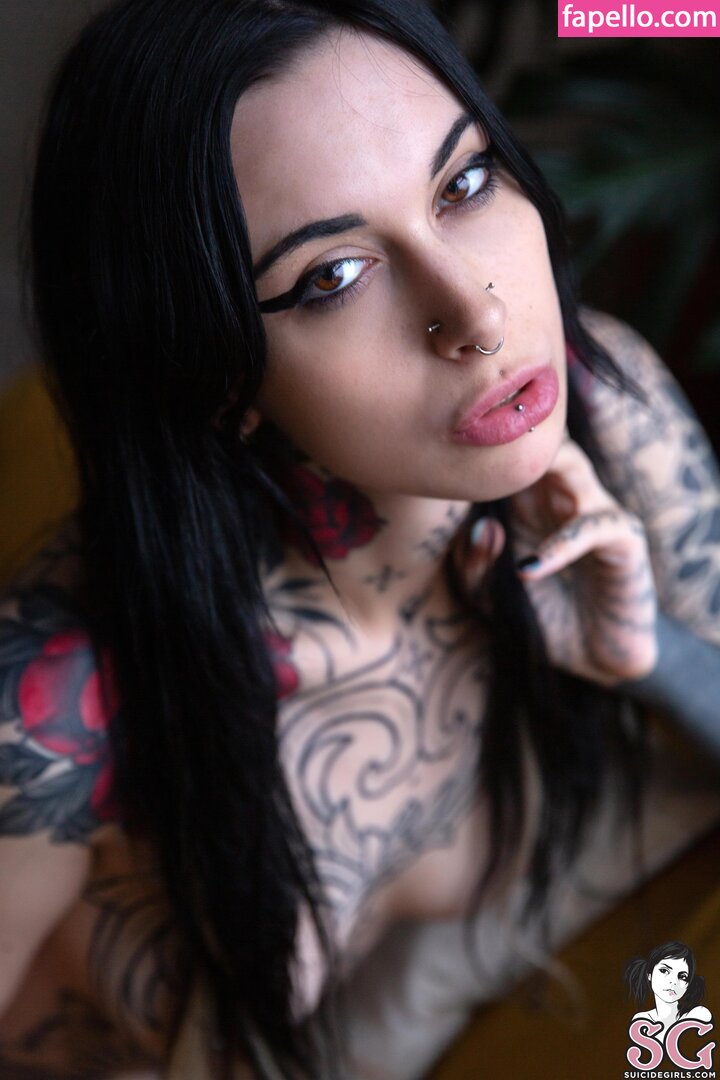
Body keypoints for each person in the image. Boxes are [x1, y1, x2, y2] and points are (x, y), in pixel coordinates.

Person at [0, 0, 719, 1077]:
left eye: (464, 184)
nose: (477, 316)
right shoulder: (63, 715)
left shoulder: (609, 420)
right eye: (332, 275)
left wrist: (648, 654)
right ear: (213, 370)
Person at [625, 942, 711, 1040]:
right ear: (649, 974)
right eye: (664, 971)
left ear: (688, 984)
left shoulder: (698, 1014)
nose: (673, 982)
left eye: (682, 977)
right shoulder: (641, 1020)